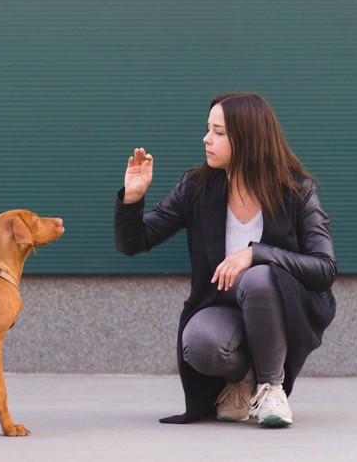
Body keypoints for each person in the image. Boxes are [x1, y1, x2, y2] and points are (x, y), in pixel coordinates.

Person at [114, 92, 336, 427]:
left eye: (219, 132)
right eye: (208, 129)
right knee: (199, 342)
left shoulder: (297, 191)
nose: (206, 139)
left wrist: (255, 253)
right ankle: (242, 379)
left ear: (248, 138)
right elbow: (135, 242)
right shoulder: (197, 188)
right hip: (223, 307)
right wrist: (133, 197)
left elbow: (324, 269)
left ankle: (271, 388)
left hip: (284, 308)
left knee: (258, 276)